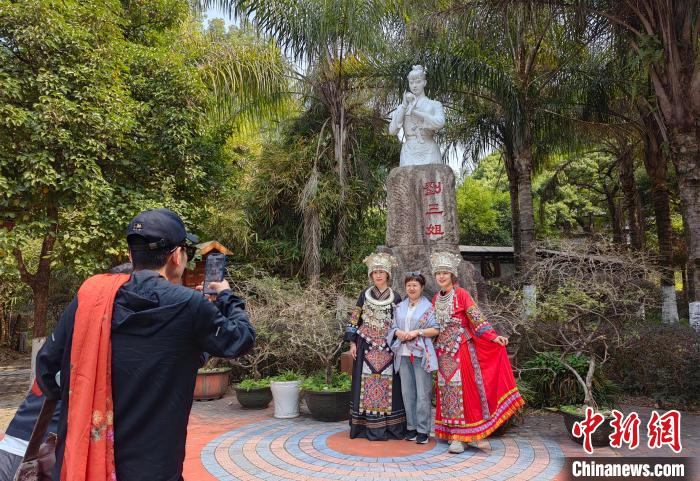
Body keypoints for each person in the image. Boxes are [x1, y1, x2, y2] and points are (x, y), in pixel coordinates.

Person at [35, 208, 255, 481]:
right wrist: (225, 298)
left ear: (130, 255)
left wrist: (86, 405)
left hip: (88, 460)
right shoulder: (188, 306)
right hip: (156, 467)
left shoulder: (90, 299)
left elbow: (46, 369)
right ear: (176, 256)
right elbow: (241, 338)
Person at [429, 252, 523, 454]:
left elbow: (476, 318)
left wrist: (493, 337)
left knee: (464, 391)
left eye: (445, 272)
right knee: (447, 391)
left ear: (452, 275)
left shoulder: (461, 293)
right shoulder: (436, 298)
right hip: (443, 351)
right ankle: (451, 431)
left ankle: (464, 436)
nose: (442, 276)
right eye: (438, 273)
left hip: (460, 347)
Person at [345, 252, 405, 440]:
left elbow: (401, 322)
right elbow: (355, 318)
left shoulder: (396, 297)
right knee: (365, 382)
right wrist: (352, 342)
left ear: (388, 274)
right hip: (365, 346)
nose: (378, 275)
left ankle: (389, 427)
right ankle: (364, 426)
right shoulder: (364, 294)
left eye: (382, 272)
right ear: (371, 275)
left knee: (389, 384)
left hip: (388, 347)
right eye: (375, 272)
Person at [387, 272, 439, 444]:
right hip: (402, 353)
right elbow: (392, 327)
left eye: (415, 285)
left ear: (422, 287)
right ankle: (411, 428)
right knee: (407, 392)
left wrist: (418, 332)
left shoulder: (429, 307)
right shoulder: (400, 306)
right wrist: (397, 332)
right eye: (409, 285)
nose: (411, 288)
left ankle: (423, 430)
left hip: (421, 353)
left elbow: (436, 329)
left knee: (423, 393)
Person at [388, 65, 445, 166]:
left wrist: (416, 112)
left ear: (424, 83)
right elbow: (392, 131)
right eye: (411, 82)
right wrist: (404, 106)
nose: (414, 86)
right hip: (409, 150)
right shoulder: (403, 107)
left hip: (429, 148)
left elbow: (440, 122)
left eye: (418, 82)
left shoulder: (434, 104)